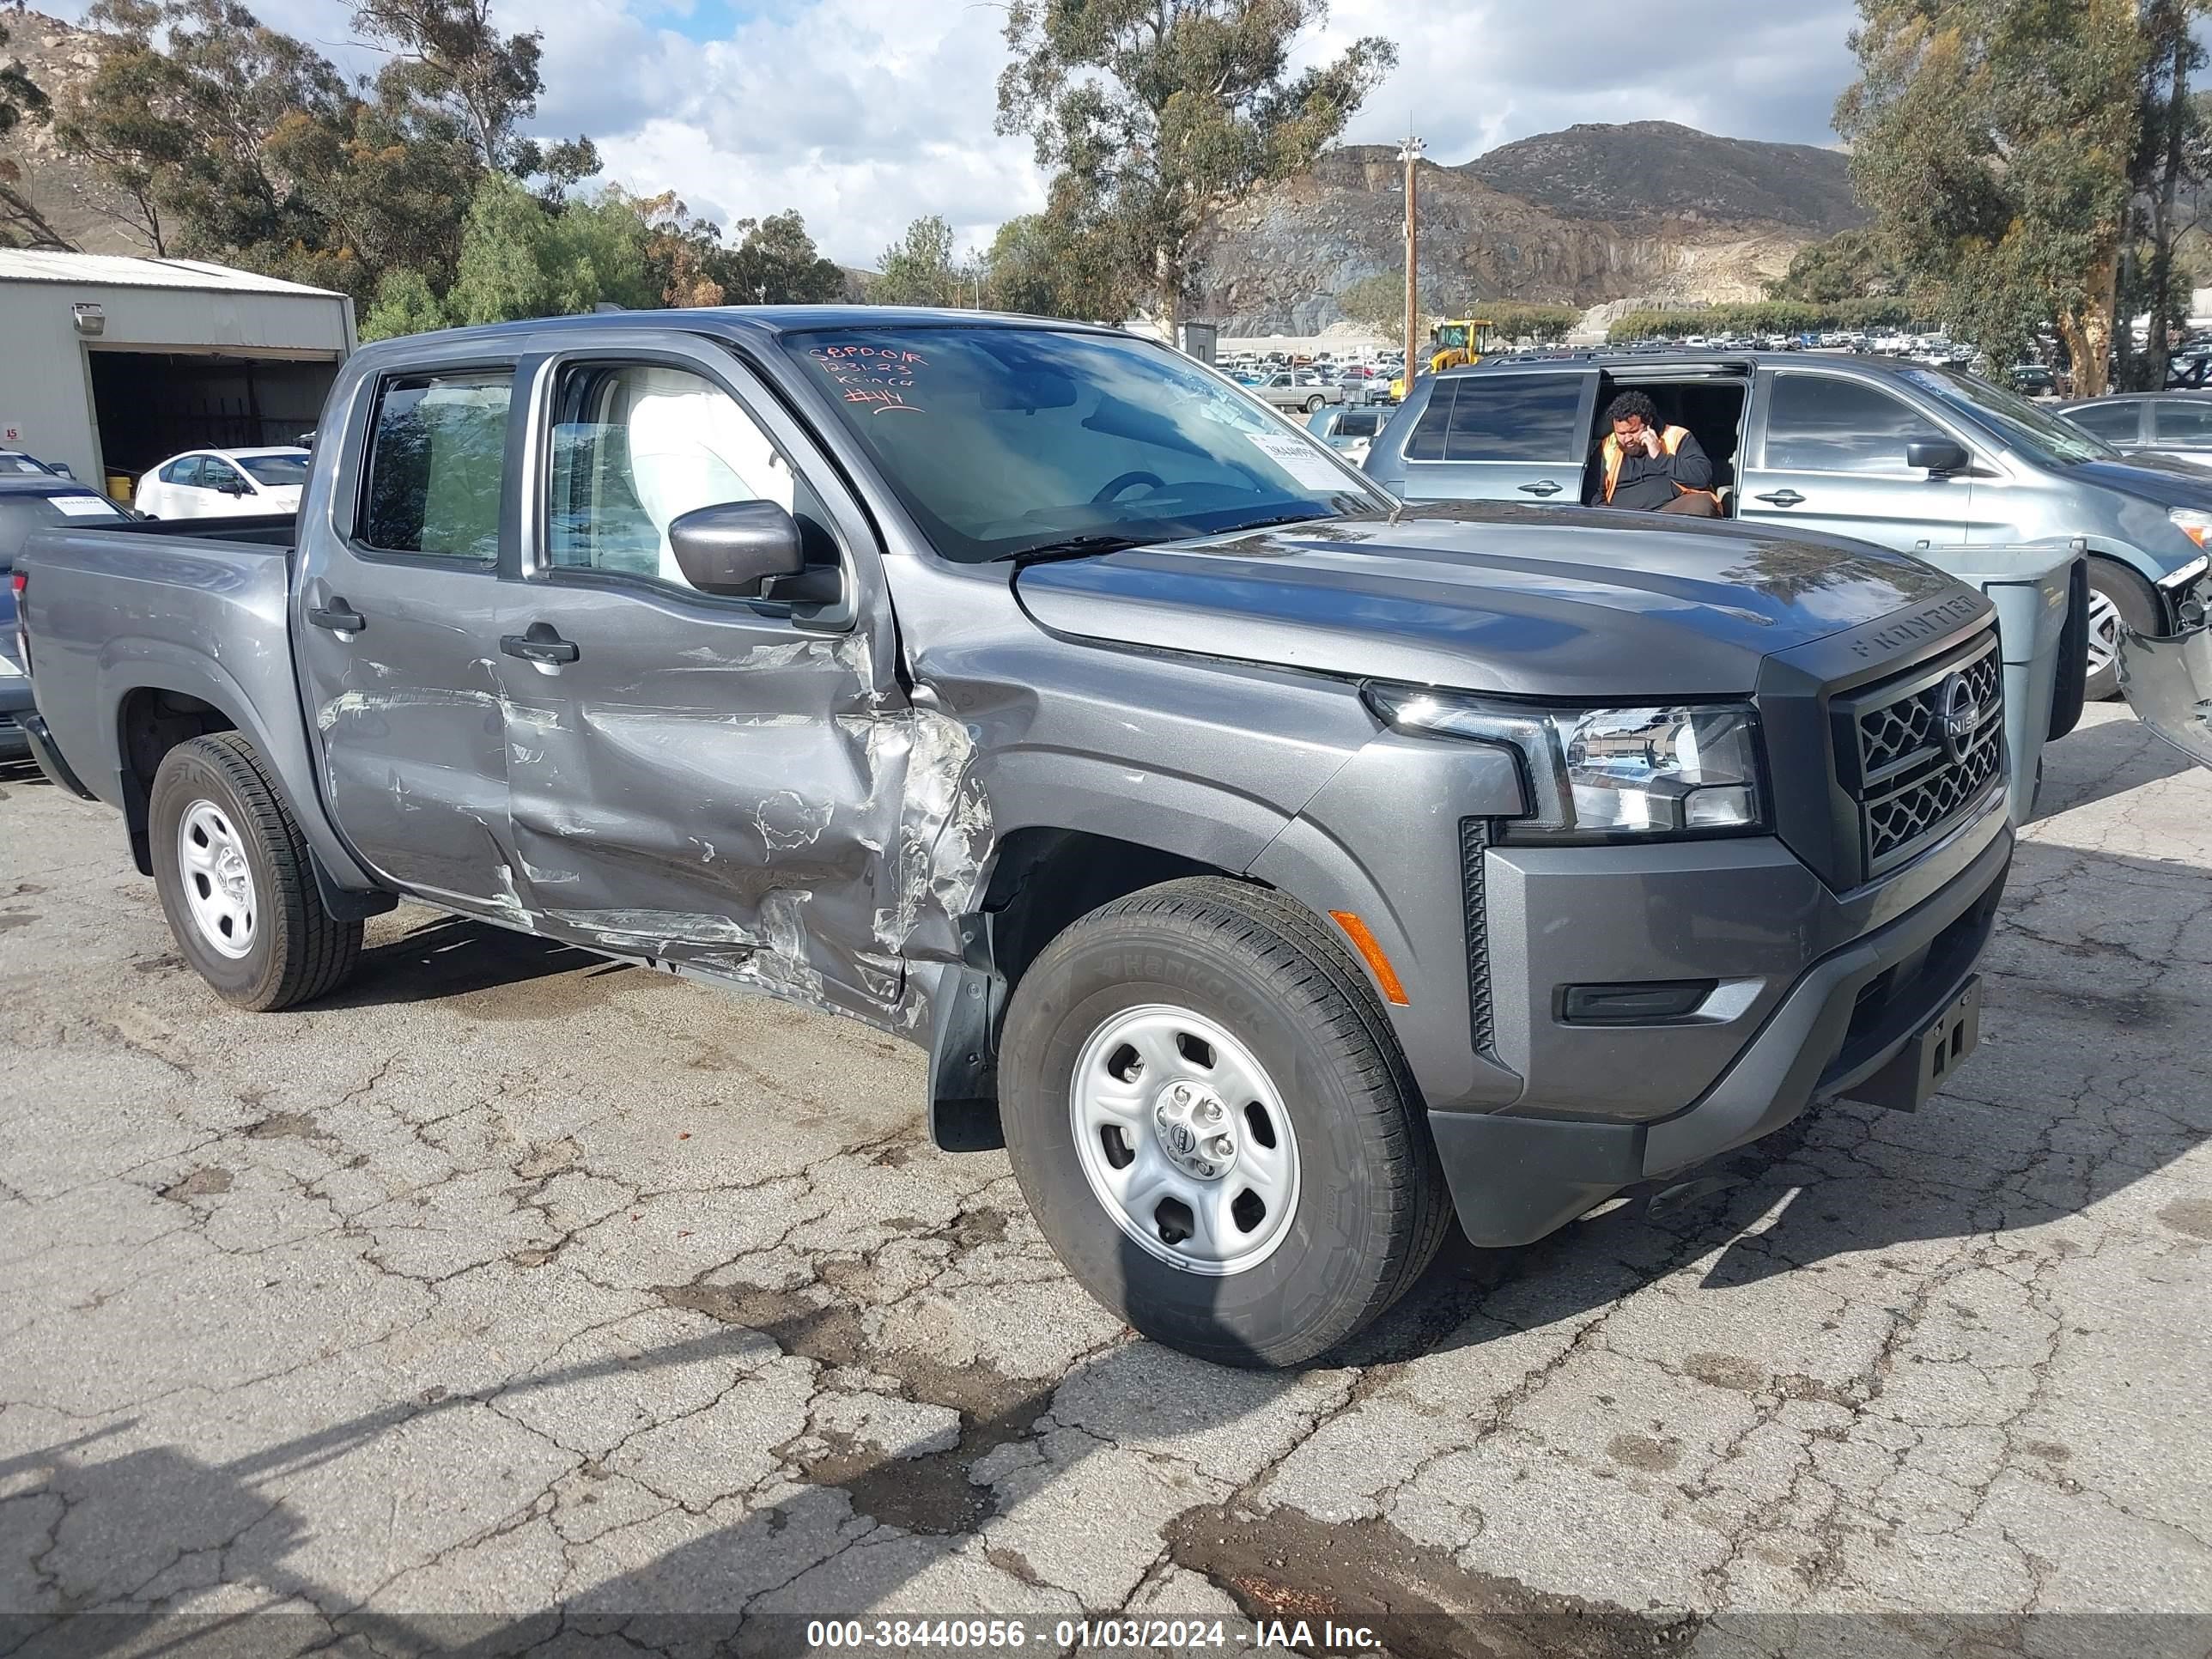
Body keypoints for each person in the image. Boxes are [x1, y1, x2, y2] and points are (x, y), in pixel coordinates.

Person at [1586, 391, 1721, 516]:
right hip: (1624, 518)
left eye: (1633, 432)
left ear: (1648, 422)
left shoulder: (1675, 436)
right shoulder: (1608, 446)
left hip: (1670, 513)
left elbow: (1702, 477)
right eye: (1621, 433)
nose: (1627, 439)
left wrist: (1660, 457)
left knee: (1702, 504)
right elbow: (1592, 492)